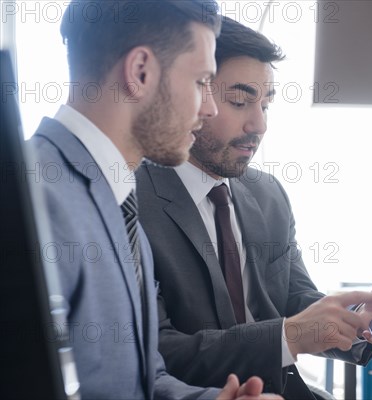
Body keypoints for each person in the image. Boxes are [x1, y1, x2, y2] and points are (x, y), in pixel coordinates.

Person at [136, 16, 372, 399]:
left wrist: (356, 321)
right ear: (194, 92)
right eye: (240, 101)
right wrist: (288, 336)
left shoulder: (267, 194)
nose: (259, 124)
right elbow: (157, 352)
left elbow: (297, 298)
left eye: (266, 105)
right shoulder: (133, 199)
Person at [29, 1, 280, 399]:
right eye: (201, 82)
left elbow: (143, 379)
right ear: (140, 72)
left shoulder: (119, 204)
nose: (209, 107)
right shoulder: (37, 202)